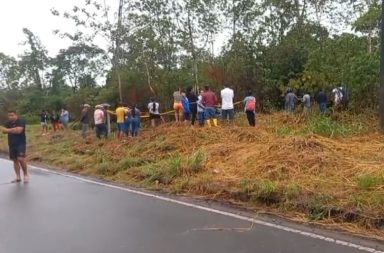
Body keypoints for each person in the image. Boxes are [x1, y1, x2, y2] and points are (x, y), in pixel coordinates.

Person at [1, 110, 29, 183]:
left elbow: (19, 131)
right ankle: (18, 177)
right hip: (11, 144)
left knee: (20, 159)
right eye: (9, 115)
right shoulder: (7, 123)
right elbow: (3, 131)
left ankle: (25, 175)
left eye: (12, 115)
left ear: (16, 115)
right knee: (15, 160)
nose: (10, 117)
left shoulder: (21, 121)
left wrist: (8, 130)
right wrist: (13, 129)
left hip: (21, 143)